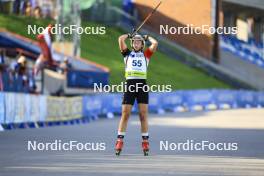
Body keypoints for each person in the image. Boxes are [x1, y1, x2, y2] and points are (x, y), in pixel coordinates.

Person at [115, 33, 158, 156]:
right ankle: (119, 141)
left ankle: (145, 142)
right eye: (134, 42)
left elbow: (155, 43)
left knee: (143, 115)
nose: (136, 43)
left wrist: (147, 37)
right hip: (130, 85)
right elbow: (120, 39)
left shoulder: (146, 55)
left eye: (138, 42)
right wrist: (129, 35)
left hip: (142, 86)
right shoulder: (127, 54)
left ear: (142, 44)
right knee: (125, 114)